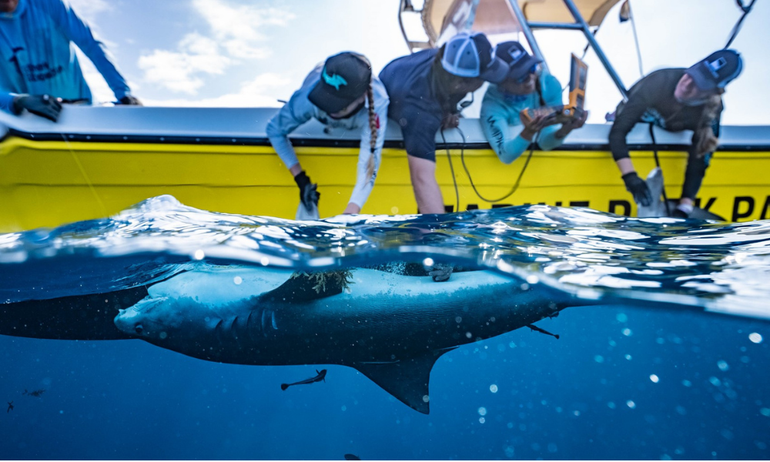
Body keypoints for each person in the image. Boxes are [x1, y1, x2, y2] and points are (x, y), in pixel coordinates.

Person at [379, 31, 508, 215]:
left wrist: (450, 110)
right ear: (461, 84)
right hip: (396, 104)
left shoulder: (447, 59)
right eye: (484, 78)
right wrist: (436, 236)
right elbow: (421, 177)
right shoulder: (420, 107)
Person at [609, 49, 743, 218]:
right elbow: (618, 131)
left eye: (698, 85)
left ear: (712, 93)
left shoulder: (711, 112)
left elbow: (699, 160)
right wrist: (630, 177)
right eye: (691, 75)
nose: (687, 84)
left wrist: (684, 207)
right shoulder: (660, 80)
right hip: (632, 126)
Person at [266, 52, 388, 216]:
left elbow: (369, 162)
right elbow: (274, 130)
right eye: (323, 99)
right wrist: (300, 179)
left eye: (338, 105)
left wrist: (351, 211)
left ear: (362, 97)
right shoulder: (306, 98)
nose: (326, 107)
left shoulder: (378, 103)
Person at [0, 0, 140, 122]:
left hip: (81, 113)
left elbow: (91, 45)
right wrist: (16, 101)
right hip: (24, 123)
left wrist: (123, 93)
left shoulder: (50, 4)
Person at [480, 41, 587, 164]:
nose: (530, 79)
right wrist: (528, 132)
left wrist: (565, 130)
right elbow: (505, 155)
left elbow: (545, 144)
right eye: (520, 76)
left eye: (531, 68)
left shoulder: (549, 84)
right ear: (502, 81)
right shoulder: (492, 105)